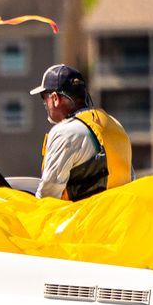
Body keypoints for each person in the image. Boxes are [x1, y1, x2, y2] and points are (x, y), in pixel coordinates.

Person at [31, 64, 131, 202]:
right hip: (120, 217)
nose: (44, 104)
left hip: (85, 221)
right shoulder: (115, 126)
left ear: (55, 98)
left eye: (44, 97)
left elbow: (48, 195)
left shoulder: (65, 132)